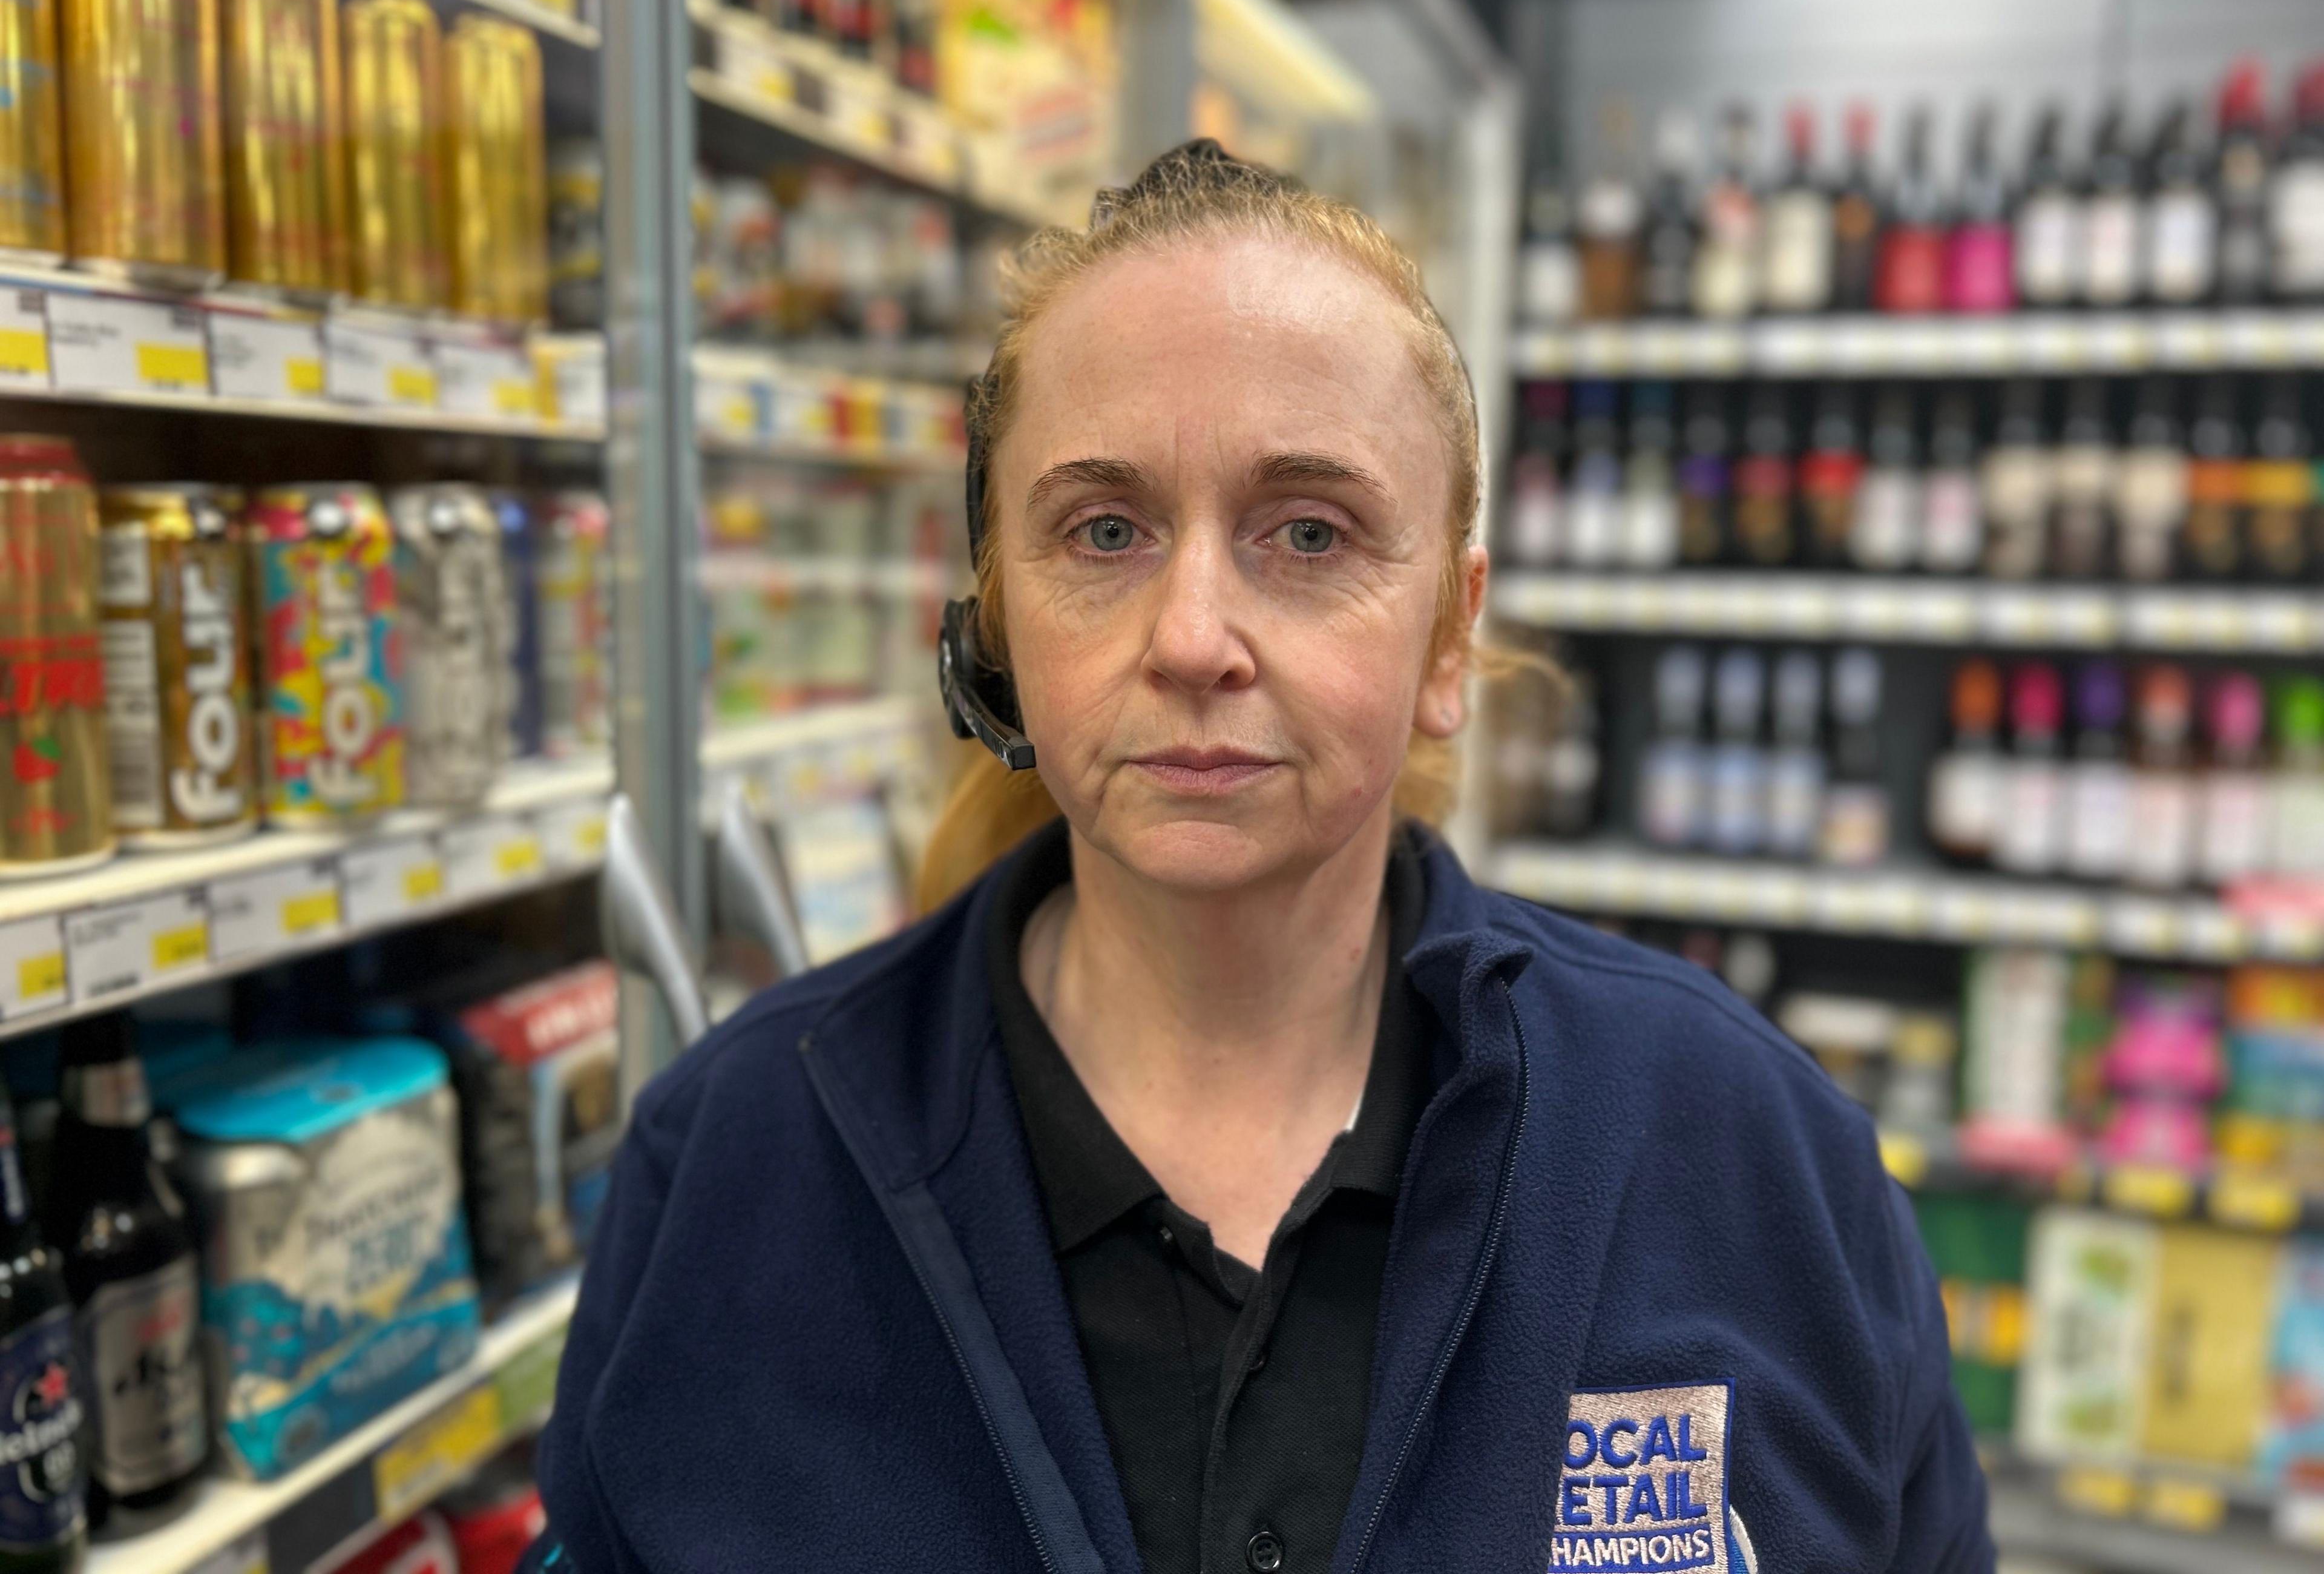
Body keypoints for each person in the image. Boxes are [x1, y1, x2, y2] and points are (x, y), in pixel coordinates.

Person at [522, 143, 1991, 1574]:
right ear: (995, 626)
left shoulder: (1752, 1160)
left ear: (1448, 636)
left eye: (1307, 530)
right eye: (1105, 530)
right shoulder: (730, 1166)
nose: (1191, 640)